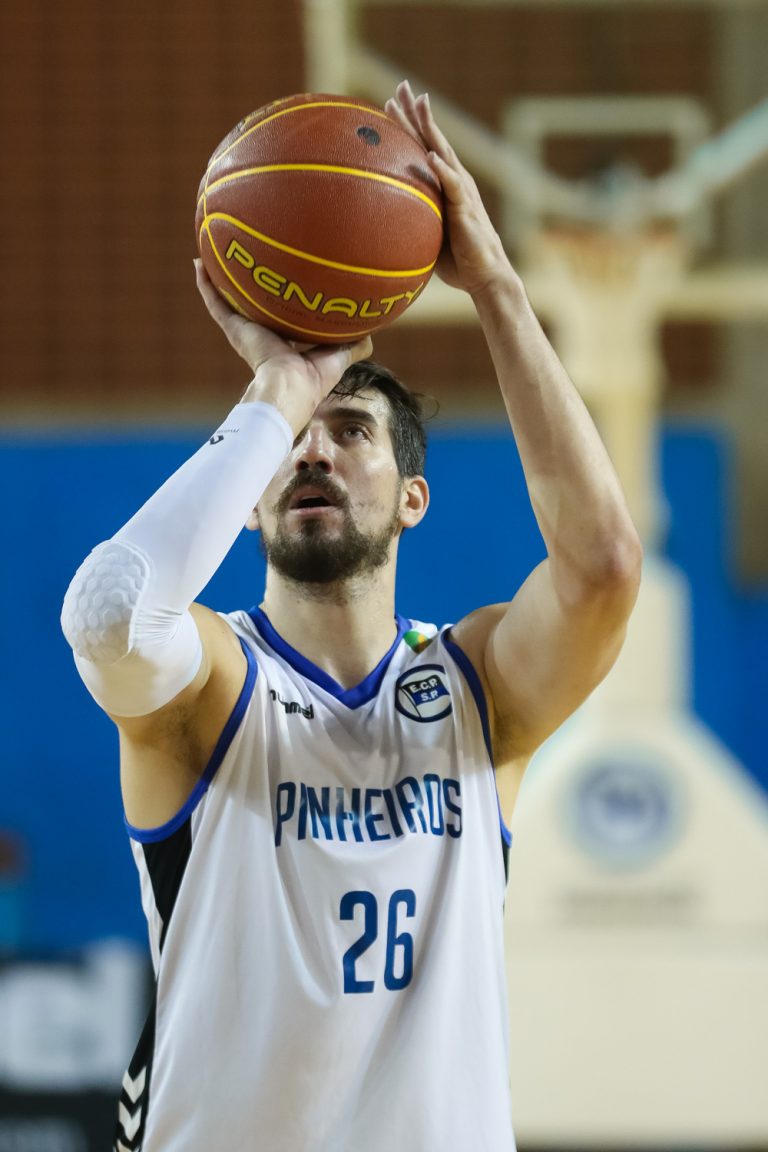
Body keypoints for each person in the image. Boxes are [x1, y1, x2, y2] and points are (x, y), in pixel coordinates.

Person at [61, 82, 641, 1152]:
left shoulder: (477, 692)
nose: (313, 451)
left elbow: (603, 567)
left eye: (352, 431)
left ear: (413, 498)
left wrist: (497, 287)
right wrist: (278, 389)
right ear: (244, 500)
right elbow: (109, 617)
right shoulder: (214, 687)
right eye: (293, 441)